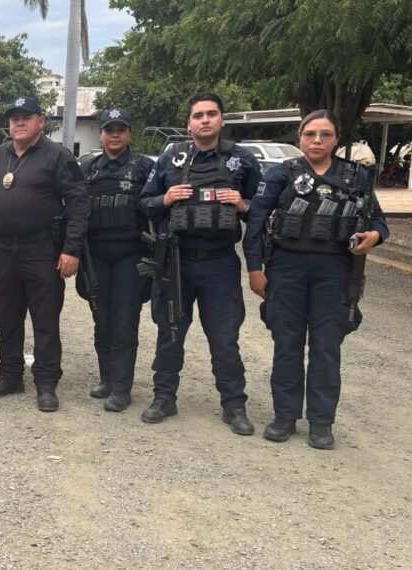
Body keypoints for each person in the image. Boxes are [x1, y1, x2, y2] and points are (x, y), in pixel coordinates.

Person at [244, 110, 388, 450]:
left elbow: (379, 221)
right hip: (286, 267)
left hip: (335, 269)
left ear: (336, 138)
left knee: (326, 349)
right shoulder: (281, 173)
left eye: (325, 134)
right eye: (310, 134)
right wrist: (254, 268)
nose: (317, 141)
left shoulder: (356, 177)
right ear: (300, 137)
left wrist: (375, 236)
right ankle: (285, 416)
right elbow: (256, 222)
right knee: (287, 346)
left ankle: (322, 423)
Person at [136, 92, 261, 435]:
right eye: (198, 115)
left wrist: (243, 204)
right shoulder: (169, 160)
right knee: (170, 332)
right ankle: (164, 397)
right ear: (188, 123)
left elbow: (264, 210)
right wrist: (165, 198)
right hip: (176, 262)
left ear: (221, 120)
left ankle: (234, 405)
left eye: (211, 114)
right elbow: (144, 203)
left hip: (219, 263)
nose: (205, 120)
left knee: (224, 337)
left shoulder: (242, 160)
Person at [0, 96, 90, 412]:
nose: (19, 122)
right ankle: (10, 375)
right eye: (14, 118)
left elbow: (79, 204)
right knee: (6, 315)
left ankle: (46, 383)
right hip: (4, 251)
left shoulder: (59, 156)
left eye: (26, 116)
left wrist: (71, 249)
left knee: (45, 319)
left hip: (42, 250)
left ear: (41, 121)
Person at [76, 108, 156, 412]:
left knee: (124, 321)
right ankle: (107, 378)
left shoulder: (144, 167)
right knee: (102, 318)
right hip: (96, 255)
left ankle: (122, 387)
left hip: (130, 254)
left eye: (121, 129)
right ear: (101, 134)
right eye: (109, 130)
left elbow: (154, 206)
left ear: (129, 133)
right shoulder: (88, 168)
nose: (115, 135)